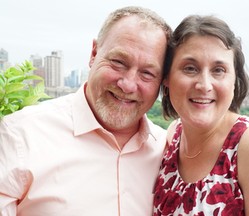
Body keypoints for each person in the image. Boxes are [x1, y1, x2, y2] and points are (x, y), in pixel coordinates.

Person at [0, 6, 172, 216]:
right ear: (93, 53)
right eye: (118, 62)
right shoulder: (19, 137)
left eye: (147, 73)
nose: (127, 85)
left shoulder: (169, 151)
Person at [153, 15, 249, 215]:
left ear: (235, 81)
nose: (204, 85)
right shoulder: (173, 135)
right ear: (166, 77)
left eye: (219, 70)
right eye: (190, 68)